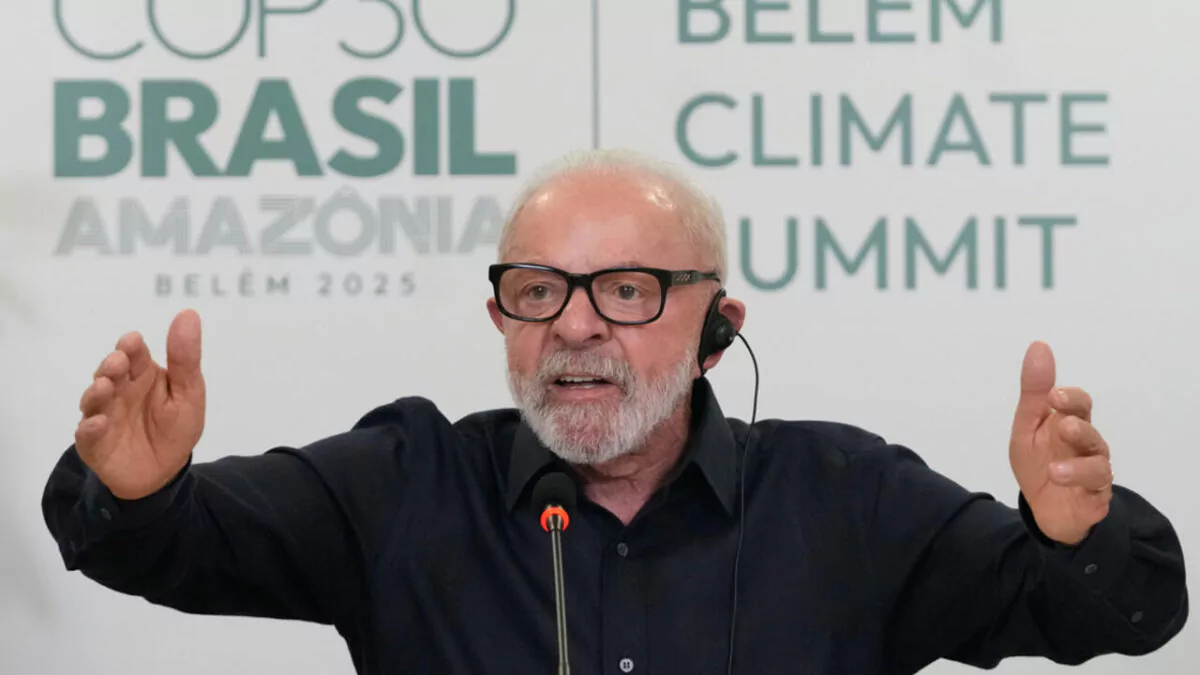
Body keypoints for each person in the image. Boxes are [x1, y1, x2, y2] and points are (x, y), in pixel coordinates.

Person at [43, 149, 1187, 675]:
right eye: (539, 290)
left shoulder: (849, 503)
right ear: (502, 318)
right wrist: (134, 489)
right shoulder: (405, 487)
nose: (577, 327)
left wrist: (1076, 534)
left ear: (717, 325)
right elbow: (159, 541)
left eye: (628, 291)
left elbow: (1126, 614)